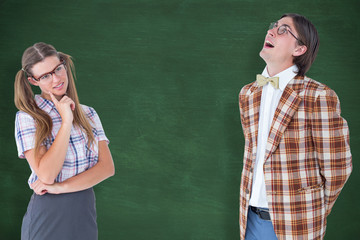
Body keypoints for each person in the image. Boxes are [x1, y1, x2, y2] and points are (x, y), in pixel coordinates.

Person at [238, 13, 352, 240]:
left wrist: (314, 208)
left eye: (283, 30)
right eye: (273, 27)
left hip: (296, 223)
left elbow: (338, 169)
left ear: (300, 49)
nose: (270, 32)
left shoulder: (318, 95)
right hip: (249, 219)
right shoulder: (248, 94)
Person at [14, 42, 115, 240]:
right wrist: (66, 121)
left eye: (58, 69)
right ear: (34, 81)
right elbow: (47, 175)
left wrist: (62, 187)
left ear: (64, 65)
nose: (56, 79)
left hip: (84, 211)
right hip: (48, 214)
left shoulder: (88, 113)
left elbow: (107, 168)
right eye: (45, 76)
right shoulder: (27, 117)